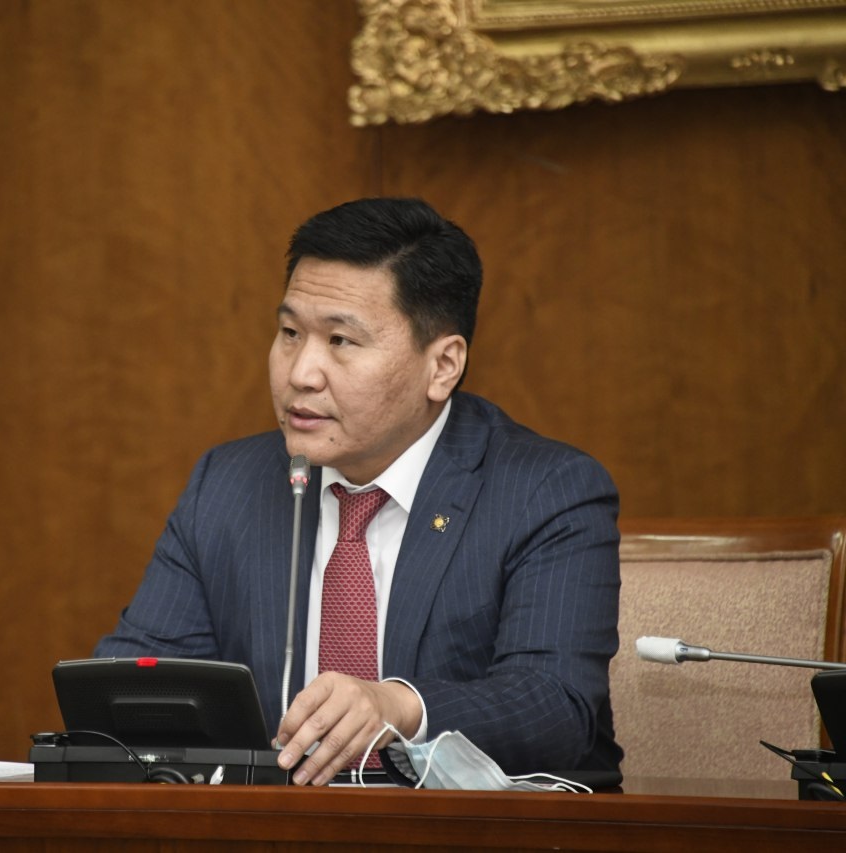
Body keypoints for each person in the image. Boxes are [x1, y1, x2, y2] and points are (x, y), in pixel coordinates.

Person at [95, 197, 622, 786]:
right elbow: (130, 693)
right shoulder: (228, 485)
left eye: (341, 341)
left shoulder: (546, 491)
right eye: (290, 333)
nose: (300, 373)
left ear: (443, 366)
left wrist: (400, 706)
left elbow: (554, 705)